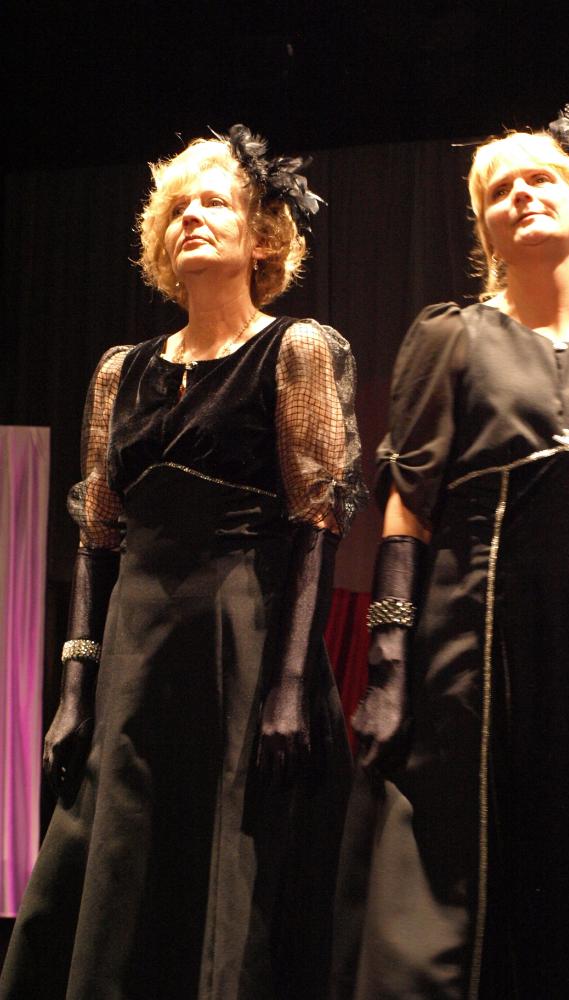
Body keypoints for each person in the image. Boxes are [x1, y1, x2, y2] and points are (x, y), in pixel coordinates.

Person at [333, 106, 569, 999]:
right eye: (499, 191)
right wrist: (388, 667)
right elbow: (408, 511)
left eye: (540, 179)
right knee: (465, 894)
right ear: (486, 231)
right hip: (473, 661)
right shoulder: (451, 337)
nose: (521, 196)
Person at [0, 126, 366, 1000]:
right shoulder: (118, 372)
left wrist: (288, 686)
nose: (192, 217)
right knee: (121, 860)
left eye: (214, 203)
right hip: (135, 657)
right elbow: (98, 533)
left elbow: (316, 522)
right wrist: (76, 685)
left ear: (262, 237)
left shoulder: (297, 349)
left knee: (227, 867)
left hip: (240, 649)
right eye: (178, 208)